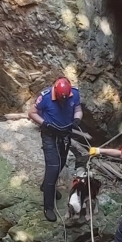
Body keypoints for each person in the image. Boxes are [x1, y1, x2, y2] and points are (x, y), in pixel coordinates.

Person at [28, 77, 83, 222]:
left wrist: (77, 119)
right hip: (50, 135)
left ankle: (46, 186)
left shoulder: (74, 93)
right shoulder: (45, 97)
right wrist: (45, 123)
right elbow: (32, 113)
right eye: (60, 99)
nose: (63, 101)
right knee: (52, 167)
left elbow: (77, 108)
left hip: (65, 133)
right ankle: (48, 206)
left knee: (61, 162)